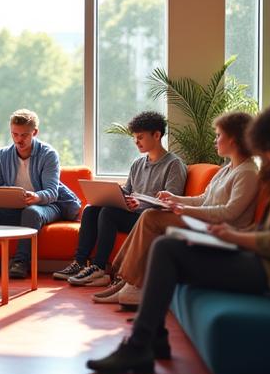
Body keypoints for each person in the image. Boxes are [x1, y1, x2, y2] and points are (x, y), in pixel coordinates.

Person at [87, 103, 270, 374]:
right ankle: (149, 338)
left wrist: (236, 238)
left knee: (167, 248)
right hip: (266, 262)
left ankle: (140, 344)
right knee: (166, 246)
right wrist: (238, 235)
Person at [95, 111, 260, 307]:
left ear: (233, 139)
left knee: (150, 216)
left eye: (218, 135)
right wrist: (175, 199)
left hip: (221, 231)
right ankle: (128, 283)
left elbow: (229, 213)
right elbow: (203, 199)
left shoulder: (248, 172)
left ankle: (128, 282)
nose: (215, 140)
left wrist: (183, 209)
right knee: (151, 215)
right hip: (206, 223)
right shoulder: (226, 169)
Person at [53, 111, 187, 286]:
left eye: (140, 137)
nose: (136, 141)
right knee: (91, 209)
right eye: (134, 137)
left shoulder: (174, 164)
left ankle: (99, 269)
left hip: (150, 219)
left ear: (157, 135)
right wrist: (114, 195)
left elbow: (171, 201)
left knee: (109, 213)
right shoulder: (138, 163)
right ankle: (79, 263)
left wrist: (141, 202)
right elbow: (127, 190)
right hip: (132, 214)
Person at [0, 109, 82, 279]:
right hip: (15, 207)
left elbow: (52, 192)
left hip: (47, 205)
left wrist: (37, 197)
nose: (19, 139)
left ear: (35, 132)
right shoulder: (3, 155)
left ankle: (21, 262)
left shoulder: (48, 154)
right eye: (15, 134)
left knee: (31, 212)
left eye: (24, 135)